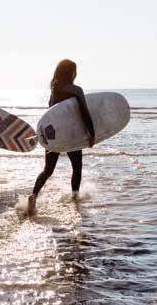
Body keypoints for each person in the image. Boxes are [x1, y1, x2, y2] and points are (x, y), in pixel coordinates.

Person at [27, 59, 95, 216]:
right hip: (71, 135)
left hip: (54, 135)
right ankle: (75, 198)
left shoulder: (54, 89)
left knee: (48, 169)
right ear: (71, 73)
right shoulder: (76, 90)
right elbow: (84, 112)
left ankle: (34, 195)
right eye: (75, 71)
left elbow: (50, 115)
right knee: (77, 167)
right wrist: (91, 133)